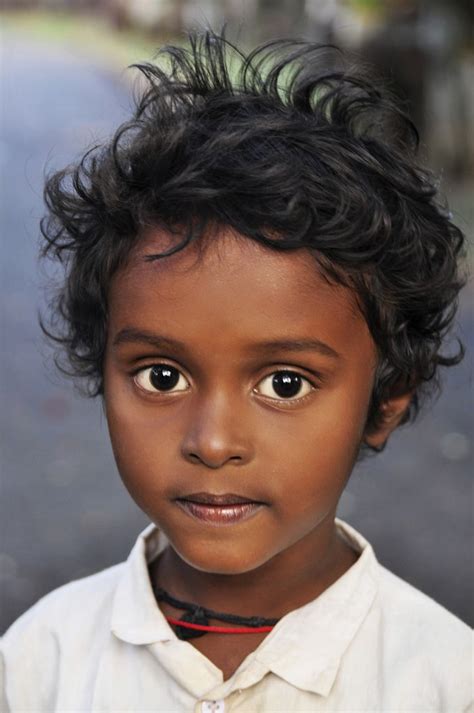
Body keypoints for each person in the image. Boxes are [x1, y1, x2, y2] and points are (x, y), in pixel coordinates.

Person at [1, 30, 471, 712]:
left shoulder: (445, 682)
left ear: (387, 398)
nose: (214, 441)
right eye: (162, 376)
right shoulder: (39, 665)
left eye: (285, 383)